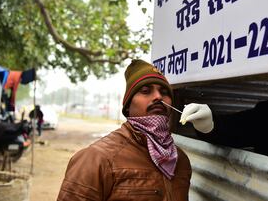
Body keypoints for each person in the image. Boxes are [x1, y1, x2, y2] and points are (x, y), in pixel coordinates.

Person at [57, 59, 192, 201]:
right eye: (146, 91)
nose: (158, 96)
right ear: (128, 106)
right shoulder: (97, 158)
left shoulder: (180, 160)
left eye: (164, 92)